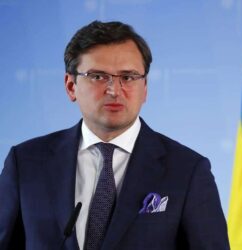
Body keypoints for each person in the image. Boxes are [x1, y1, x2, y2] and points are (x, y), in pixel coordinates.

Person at [0, 20, 229, 250]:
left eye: (128, 77)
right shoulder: (25, 163)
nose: (114, 90)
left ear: (145, 88)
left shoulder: (187, 171)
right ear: (71, 86)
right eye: (98, 76)